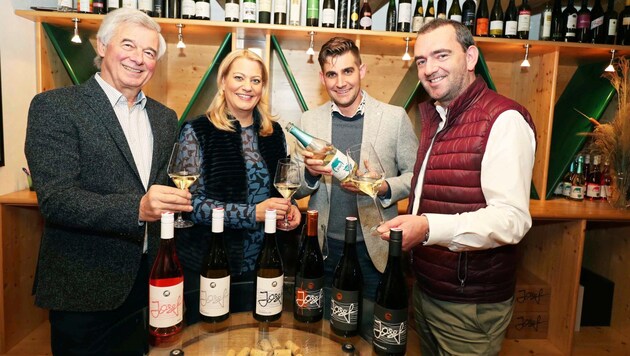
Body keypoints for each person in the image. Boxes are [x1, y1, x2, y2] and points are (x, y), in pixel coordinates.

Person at [24, 8, 191, 355]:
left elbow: (166, 187)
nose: (138, 59)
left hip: (149, 283)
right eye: (128, 45)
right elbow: (56, 199)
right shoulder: (56, 107)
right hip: (85, 286)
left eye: (149, 52)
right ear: (101, 46)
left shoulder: (164, 118)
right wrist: (138, 208)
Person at [377, 19, 537, 355]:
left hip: (469, 305)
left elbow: (511, 220)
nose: (429, 68)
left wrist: (426, 228)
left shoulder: (503, 119)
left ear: (470, 57)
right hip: (428, 290)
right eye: (421, 61)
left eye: (441, 55)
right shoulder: (438, 118)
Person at [176, 49, 301, 322]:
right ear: (223, 82)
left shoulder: (274, 132)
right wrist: (252, 213)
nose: (247, 87)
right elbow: (189, 205)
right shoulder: (197, 131)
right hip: (211, 263)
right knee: (209, 343)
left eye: (256, 81)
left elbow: (281, 189)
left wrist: (289, 211)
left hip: (264, 264)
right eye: (239, 77)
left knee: (257, 339)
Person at [290, 37, 418, 300]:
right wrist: (310, 174)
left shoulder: (394, 118)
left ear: (361, 70)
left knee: (371, 329)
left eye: (348, 71)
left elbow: (416, 177)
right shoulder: (309, 120)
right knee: (322, 328)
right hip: (324, 247)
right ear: (322, 78)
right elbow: (294, 186)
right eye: (332, 74)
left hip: (376, 248)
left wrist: (382, 187)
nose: (340, 82)